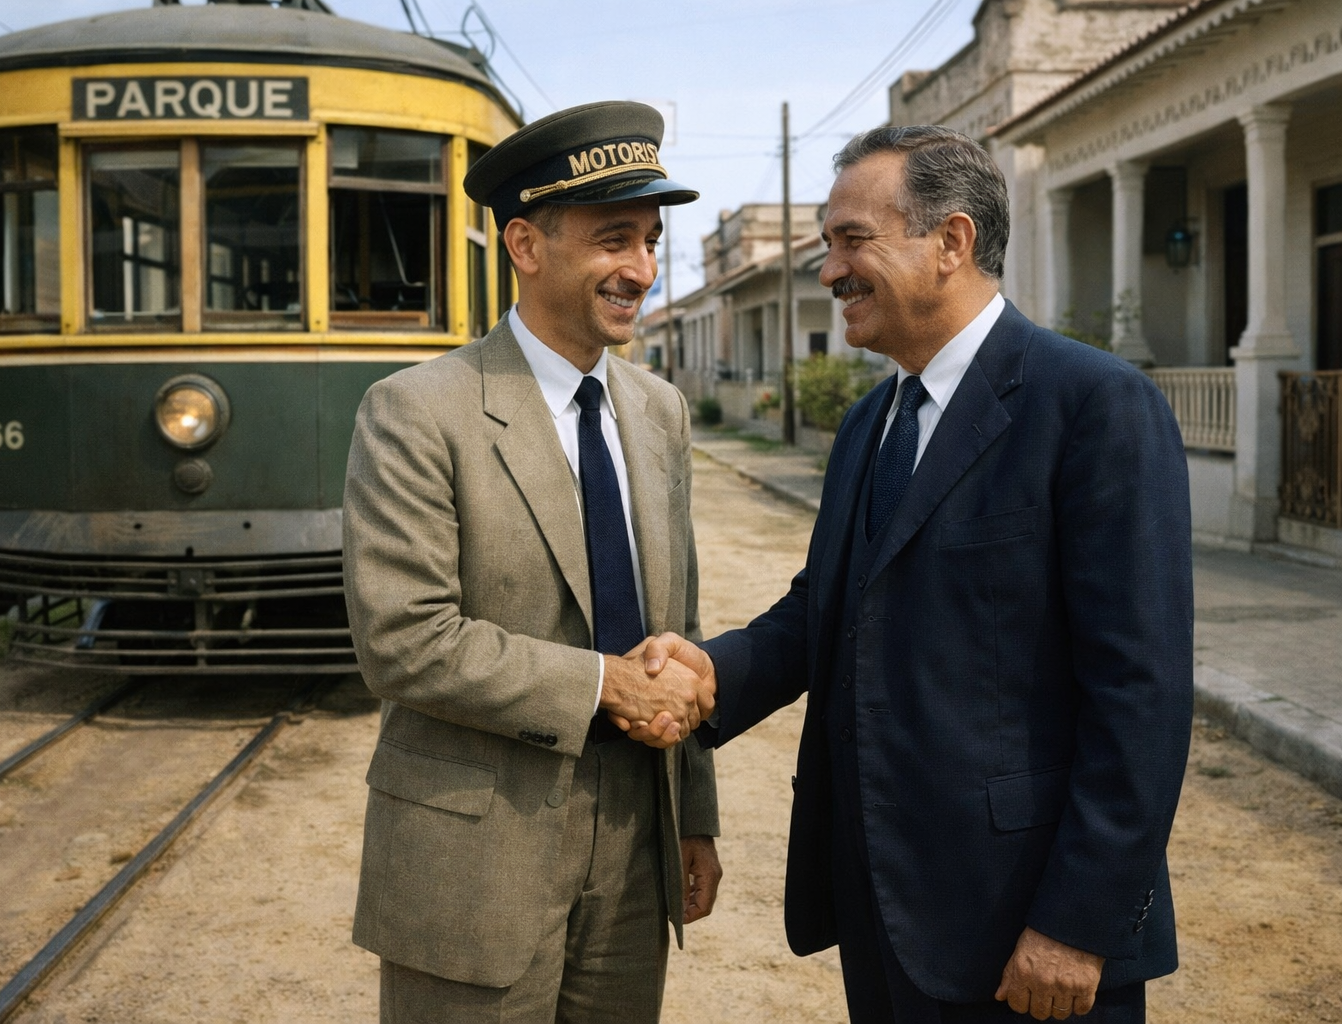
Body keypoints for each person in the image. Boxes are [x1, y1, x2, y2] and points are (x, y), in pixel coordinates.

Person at [640, 125, 1193, 1022]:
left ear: (952, 242)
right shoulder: (872, 424)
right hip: (885, 908)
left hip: (1026, 930)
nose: (829, 272)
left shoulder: (1092, 406)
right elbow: (830, 604)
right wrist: (715, 672)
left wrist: (1079, 923)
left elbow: (1143, 694)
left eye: (853, 240)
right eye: (827, 245)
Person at [342, 100, 722, 1024]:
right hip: (477, 857)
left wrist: (696, 817)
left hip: (638, 842)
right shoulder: (417, 411)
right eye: (613, 240)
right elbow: (404, 641)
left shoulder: (659, 411)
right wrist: (606, 687)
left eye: (649, 241)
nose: (640, 269)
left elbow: (684, 627)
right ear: (524, 244)